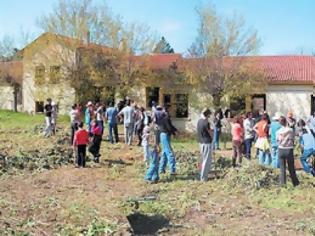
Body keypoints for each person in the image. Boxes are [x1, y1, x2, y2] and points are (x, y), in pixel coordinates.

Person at [276, 116, 300, 187]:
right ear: (286, 122)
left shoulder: (278, 131)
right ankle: (295, 183)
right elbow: (293, 138)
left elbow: (277, 141)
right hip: (289, 149)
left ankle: (283, 184)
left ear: (280, 123)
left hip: (281, 149)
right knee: (291, 168)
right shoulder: (290, 130)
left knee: (282, 168)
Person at [197, 108, 213, 181]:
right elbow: (209, 132)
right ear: (208, 114)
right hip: (206, 142)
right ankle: (203, 178)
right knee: (206, 160)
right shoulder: (206, 122)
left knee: (202, 159)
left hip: (200, 142)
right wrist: (212, 137)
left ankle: (200, 174)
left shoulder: (199, 121)